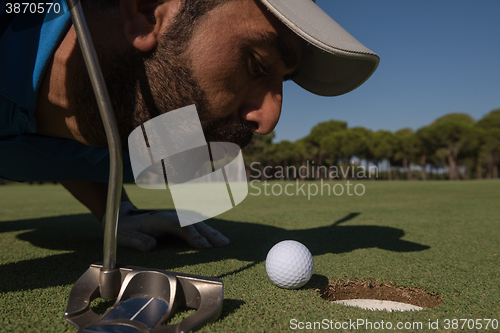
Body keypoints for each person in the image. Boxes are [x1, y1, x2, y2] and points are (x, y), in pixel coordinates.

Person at [0, 0, 379, 251]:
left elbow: (77, 150)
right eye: (257, 65)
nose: (268, 120)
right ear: (148, 9)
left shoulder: (137, 133)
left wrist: (117, 213)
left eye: (284, 81)